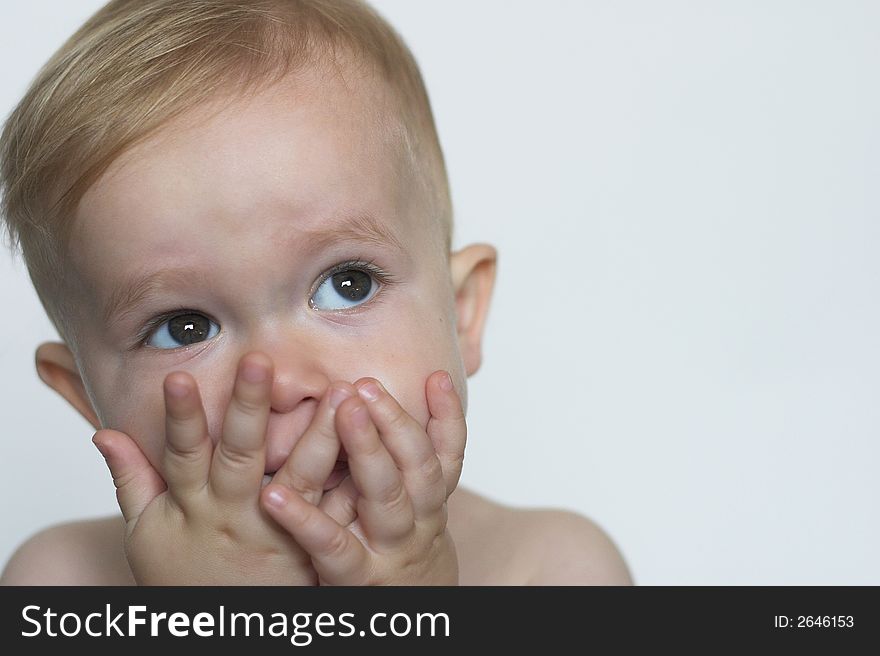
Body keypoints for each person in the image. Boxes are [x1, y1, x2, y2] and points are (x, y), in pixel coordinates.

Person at [0, 0, 632, 585]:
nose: (279, 381)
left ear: (462, 315)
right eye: (184, 327)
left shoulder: (555, 568)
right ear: (88, 395)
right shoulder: (58, 578)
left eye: (347, 286)